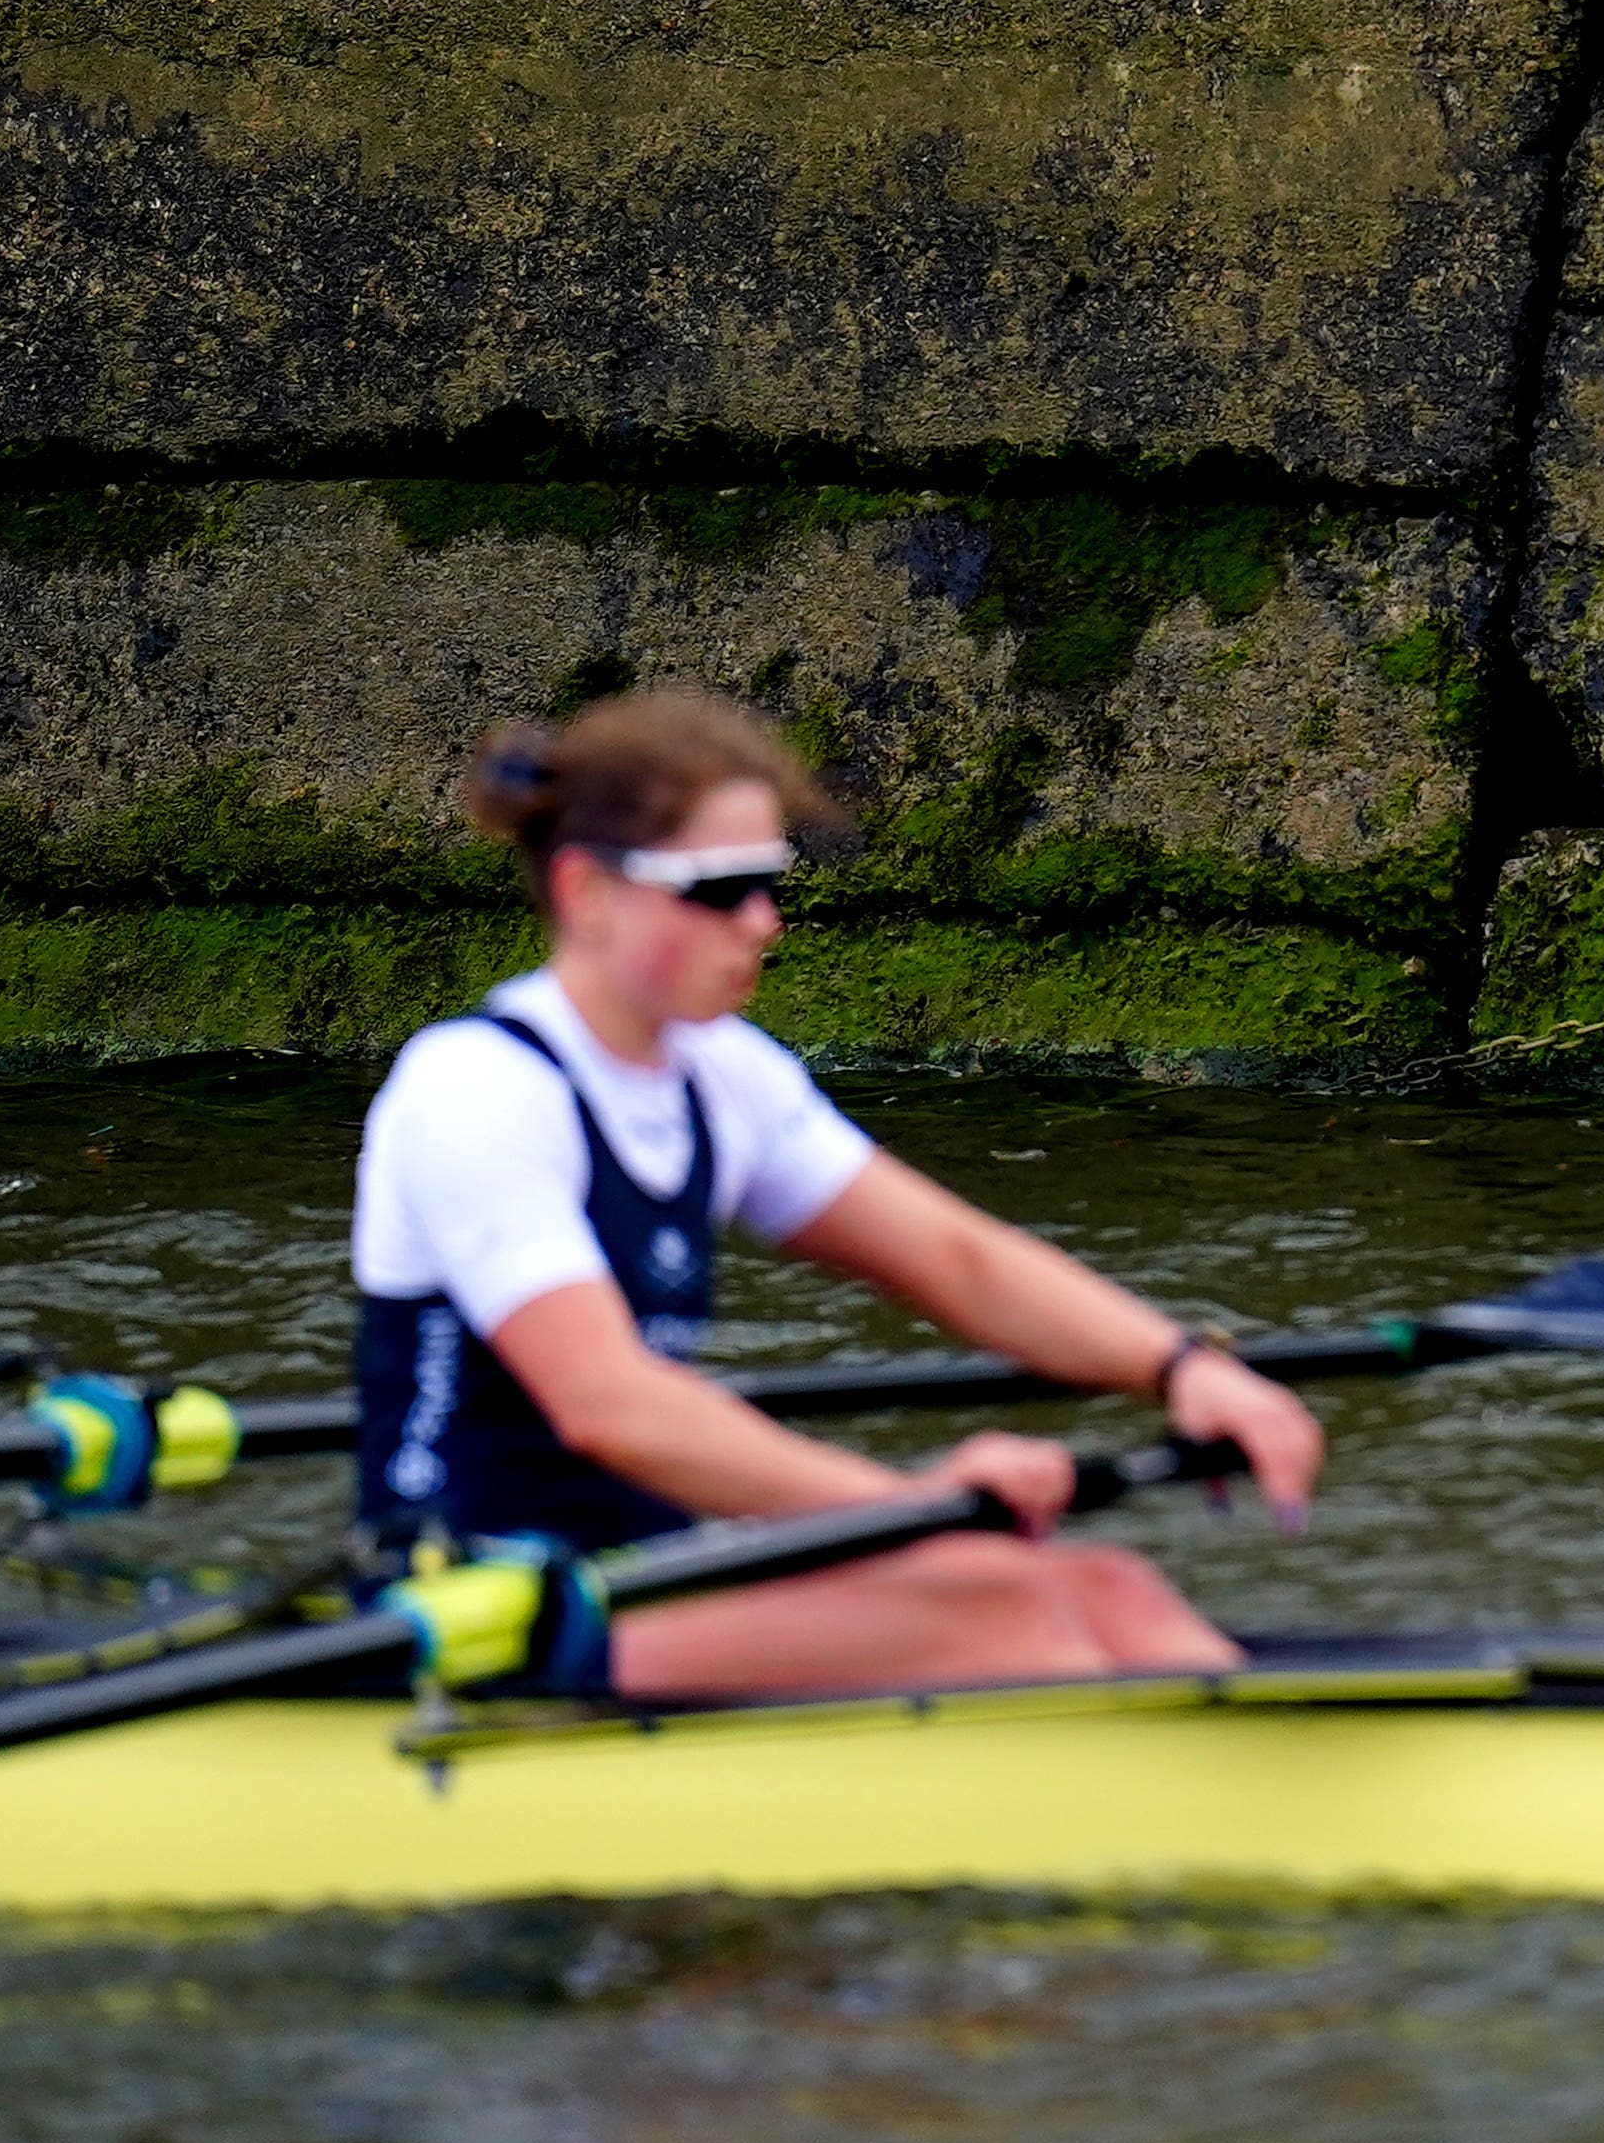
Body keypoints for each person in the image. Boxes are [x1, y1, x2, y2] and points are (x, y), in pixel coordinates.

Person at [350, 690, 1322, 1697]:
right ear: (589, 891)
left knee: (1105, 1584)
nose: (765, 922)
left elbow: (960, 1260)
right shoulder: (477, 1087)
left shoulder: (722, 1075)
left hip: (646, 1567)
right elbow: (613, 1407)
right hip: (470, 1599)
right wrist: (910, 1505)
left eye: (770, 882)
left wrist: (1182, 1367)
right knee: (1005, 1604)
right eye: (720, 888)